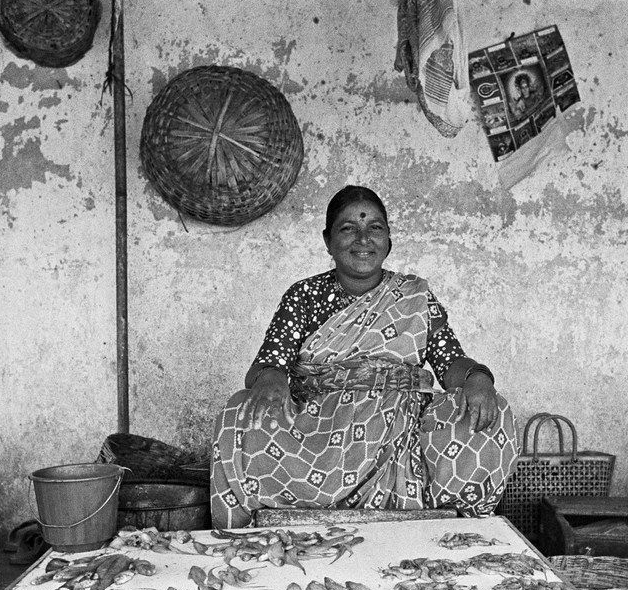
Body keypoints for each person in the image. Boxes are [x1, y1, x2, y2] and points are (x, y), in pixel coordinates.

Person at [210, 186, 519, 528]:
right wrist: (271, 378)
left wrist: (478, 378)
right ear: (328, 241)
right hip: (319, 433)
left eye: (375, 228)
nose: (363, 239)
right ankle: (249, 533)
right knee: (238, 412)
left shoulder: (415, 296)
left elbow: (450, 362)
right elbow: (269, 362)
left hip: (404, 429)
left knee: (494, 409)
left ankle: (460, 528)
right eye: (348, 228)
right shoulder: (303, 295)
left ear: (389, 240)